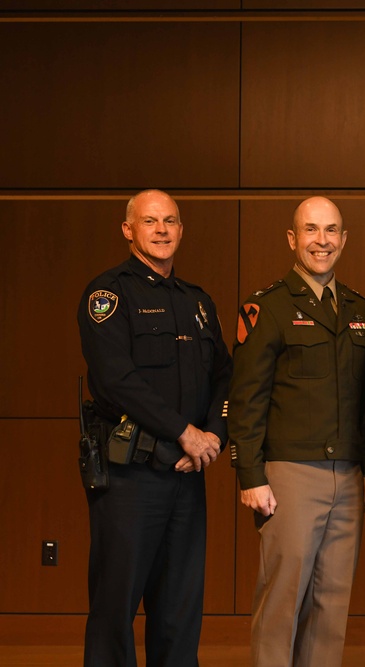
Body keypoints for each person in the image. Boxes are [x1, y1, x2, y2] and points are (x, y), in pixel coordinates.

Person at [77, 189, 232, 667]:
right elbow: (116, 380)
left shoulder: (197, 301)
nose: (162, 230)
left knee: (180, 613)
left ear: (181, 230)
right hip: (130, 478)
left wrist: (213, 438)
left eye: (170, 221)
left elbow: (225, 377)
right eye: (150, 221)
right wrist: (185, 432)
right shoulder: (108, 294)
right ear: (129, 230)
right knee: (115, 609)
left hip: (187, 475)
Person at [228, 197, 365, 667]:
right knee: (283, 600)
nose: (322, 240)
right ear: (293, 239)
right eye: (311, 230)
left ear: (344, 239)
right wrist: (250, 475)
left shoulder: (361, 310)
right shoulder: (266, 308)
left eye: (331, 230)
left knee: (331, 604)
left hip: (349, 476)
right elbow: (246, 399)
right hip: (290, 473)